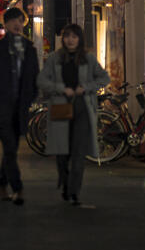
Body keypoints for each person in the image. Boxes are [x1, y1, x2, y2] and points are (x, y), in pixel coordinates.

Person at [37, 23, 110, 205]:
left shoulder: (88, 59)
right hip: (61, 107)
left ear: (80, 39)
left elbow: (104, 78)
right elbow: (42, 80)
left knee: (78, 153)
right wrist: (61, 89)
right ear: (63, 39)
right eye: (67, 36)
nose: (70, 40)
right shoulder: (55, 58)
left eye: (74, 36)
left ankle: (73, 191)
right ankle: (65, 181)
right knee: (62, 153)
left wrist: (85, 87)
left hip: (82, 108)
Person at [0, 7, 39, 205]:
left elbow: (34, 77)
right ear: (5, 23)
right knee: (10, 146)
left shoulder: (29, 49)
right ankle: (17, 189)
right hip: (1, 106)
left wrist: (30, 98)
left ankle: (1, 185)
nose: (17, 24)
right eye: (13, 21)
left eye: (20, 21)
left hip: (20, 107)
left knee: (11, 149)